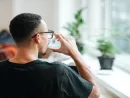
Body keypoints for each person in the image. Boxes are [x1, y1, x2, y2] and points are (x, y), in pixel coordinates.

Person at [0, 13, 100, 98]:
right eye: (47, 33)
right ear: (38, 38)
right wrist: (75, 53)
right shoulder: (58, 71)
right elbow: (95, 95)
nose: (48, 38)